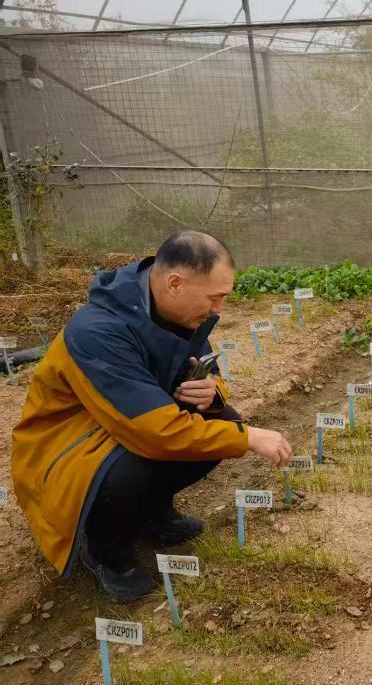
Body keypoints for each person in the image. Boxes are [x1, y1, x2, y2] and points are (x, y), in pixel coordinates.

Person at [12, 231, 293, 603]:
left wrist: (212, 392)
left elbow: (205, 373)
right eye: (216, 297)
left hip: (132, 419)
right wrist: (248, 438)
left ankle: (152, 512)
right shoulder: (97, 331)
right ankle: (106, 553)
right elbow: (153, 433)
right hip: (67, 448)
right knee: (130, 465)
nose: (219, 309)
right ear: (175, 283)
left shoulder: (177, 310)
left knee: (220, 420)